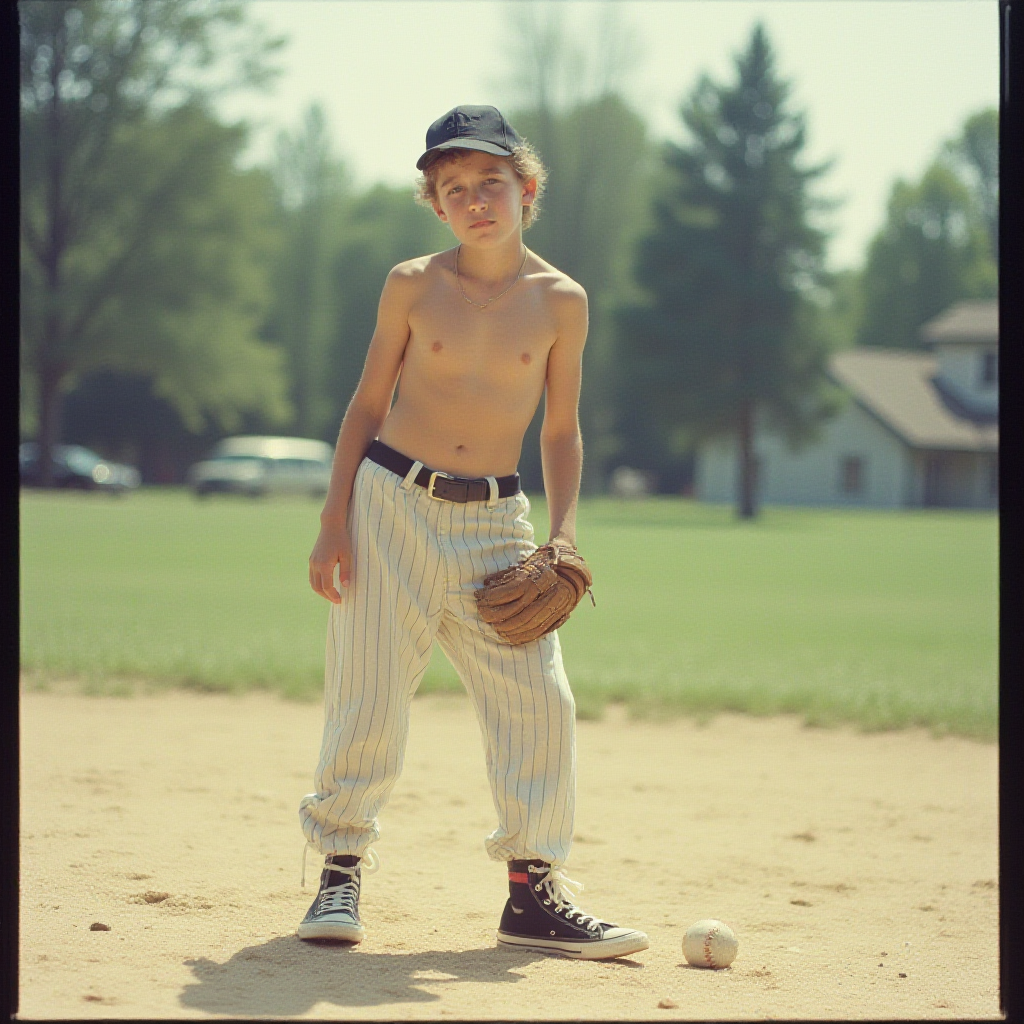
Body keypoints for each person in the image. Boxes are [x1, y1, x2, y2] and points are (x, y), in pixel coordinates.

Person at [296, 104, 648, 961]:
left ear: (526, 189)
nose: (475, 199)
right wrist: (332, 519)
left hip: (498, 517)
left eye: (490, 181)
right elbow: (368, 404)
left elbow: (560, 431)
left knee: (541, 700)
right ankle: (339, 870)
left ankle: (532, 894)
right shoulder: (412, 283)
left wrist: (561, 535)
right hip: (392, 504)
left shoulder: (562, 301)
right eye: (453, 188)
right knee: (370, 692)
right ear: (437, 205)